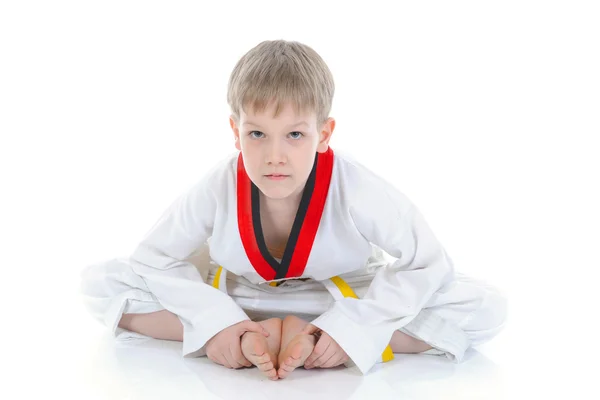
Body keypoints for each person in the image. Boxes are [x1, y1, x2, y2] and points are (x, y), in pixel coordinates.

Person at [80, 39, 507, 380]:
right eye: (258, 133)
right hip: (236, 295)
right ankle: (233, 334)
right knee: (100, 282)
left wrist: (353, 330)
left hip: (336, 299)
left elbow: (427, 263)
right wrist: (215, 321)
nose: (275, 155)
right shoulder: (219, 184)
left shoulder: (354, 185)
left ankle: (330, 340)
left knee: (485, 307)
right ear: (235, 131)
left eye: (296, 134)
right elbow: (152, 257)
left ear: (324, 134)